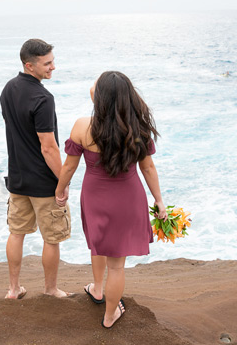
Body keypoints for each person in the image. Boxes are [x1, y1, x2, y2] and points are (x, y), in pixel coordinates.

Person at [54, 71, 166, 328]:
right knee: (117, 266)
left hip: (95, 197)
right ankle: (109, 314)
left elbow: (69, 167)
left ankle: (97, 288)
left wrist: (60, 190)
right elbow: (148, 168)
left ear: (100, 97)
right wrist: (159, 200)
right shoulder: (137, 128)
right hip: (128, 199)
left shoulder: (83, 126)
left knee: (99, 243)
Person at [0, 38, 70, 300]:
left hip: (17, 179)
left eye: (53, 61)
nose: (53, 67)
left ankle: (13, 289)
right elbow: (48, 147)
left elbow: (16, 131)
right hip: (42, 183)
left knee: (16, 233)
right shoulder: (43, 98)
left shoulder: (8, 89)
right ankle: (51, 290)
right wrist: (63, 181)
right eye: (47, 63)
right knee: (51, 238)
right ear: (29, 65)